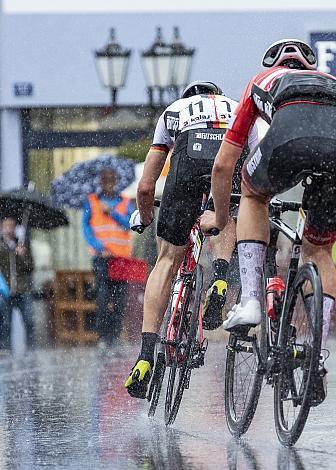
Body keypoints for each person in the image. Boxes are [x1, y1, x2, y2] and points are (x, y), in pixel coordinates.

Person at [202, 39, 336, 405]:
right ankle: (317, 351)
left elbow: (224, 164)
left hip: (289, 141)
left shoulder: (264, 80)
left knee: (254, 194)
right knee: (319, 250)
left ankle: (252, 302)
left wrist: (222, 216)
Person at [124, 80, 259, 399]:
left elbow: (145, 188)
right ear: (217, 95)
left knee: (167, 261)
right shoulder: (238, 109)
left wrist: (144, 217)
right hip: (230, 160)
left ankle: (145, 355)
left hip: (187, 162)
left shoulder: (173, 112)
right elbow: (257, 163)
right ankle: (222, 278)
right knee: (224, 212)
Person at [82, 169, 134, 346]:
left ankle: (115, 336)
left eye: (111, 180)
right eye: (105, 181)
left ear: (116, 181)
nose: (108, 184)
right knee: (103, 299)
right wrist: (98, 247)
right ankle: (103, 337)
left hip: (121, 259)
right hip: (101, 258)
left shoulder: (125, 202)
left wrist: (112, 212)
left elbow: (131, 224)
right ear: (101, 182)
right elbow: (86, 229)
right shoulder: (91, 201)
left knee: (120, 301)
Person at [0, 217, 34, 349]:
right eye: (6, 226)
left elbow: (31, 267)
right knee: (6, 323)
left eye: (11, 226)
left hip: (23, 289)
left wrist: (23, 255)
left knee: (29, 321)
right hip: (5, 291)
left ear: (15, 228)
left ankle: (31, 349)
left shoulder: (22, 244)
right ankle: (6, 349)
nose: (8, 229)